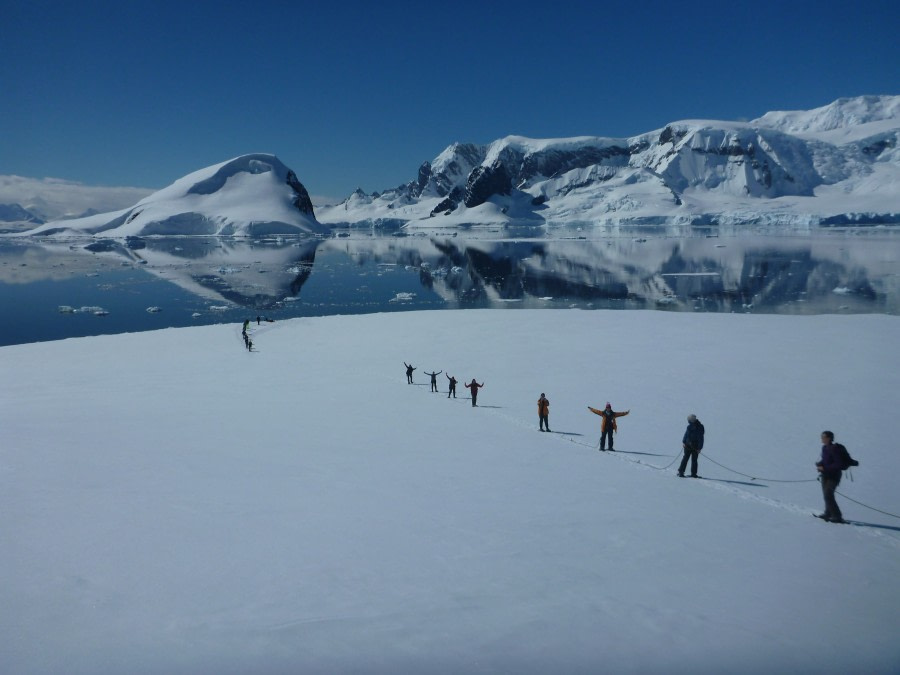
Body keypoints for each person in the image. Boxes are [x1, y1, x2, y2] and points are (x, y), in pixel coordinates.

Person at [815, 430, 846, 523]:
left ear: (829, 438)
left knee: (828, 495)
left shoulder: (835, 449)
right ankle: (828, 513)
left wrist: (824, 468)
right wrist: (820, 464)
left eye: (823, 437)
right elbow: (825, 460)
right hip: (825, 475)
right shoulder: (824, 448)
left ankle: (837, 516)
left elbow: (838, 464)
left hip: (834, 476)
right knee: (826, 495)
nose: (822, 439)